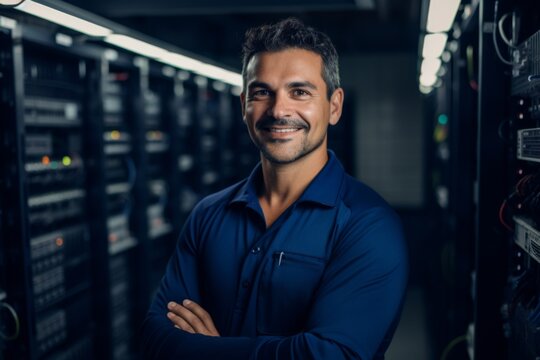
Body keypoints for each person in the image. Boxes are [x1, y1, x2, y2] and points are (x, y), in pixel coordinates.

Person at [142, 17, 408, 360]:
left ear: (335, 106)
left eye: (300, 92)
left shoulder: (368, 226)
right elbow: (155, 337)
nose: (279, 110)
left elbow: (332, 356)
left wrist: (206, 350)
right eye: (262, 92)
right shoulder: (208, 215)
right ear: (244, 106)